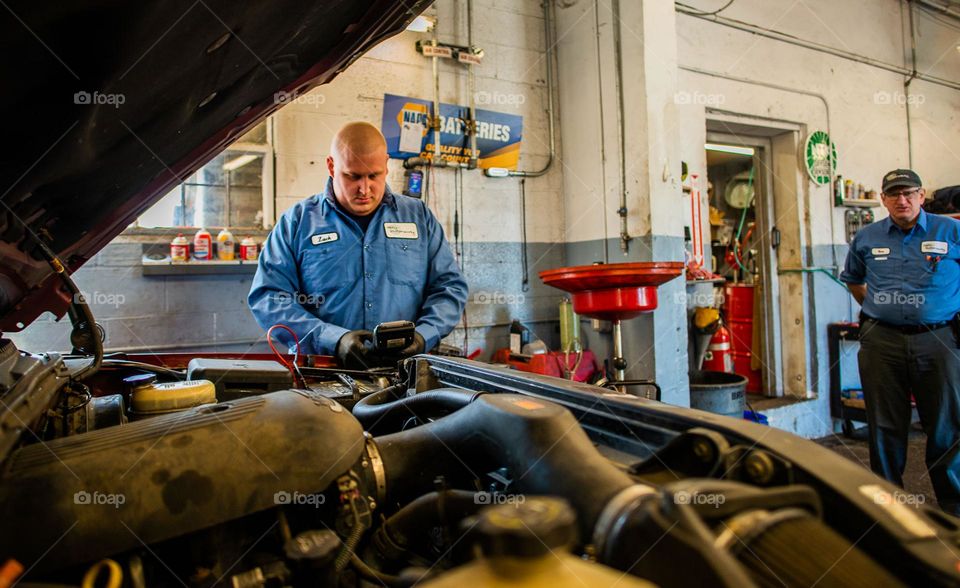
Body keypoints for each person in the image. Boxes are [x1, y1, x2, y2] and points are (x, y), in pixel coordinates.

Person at [248, 121, 467, 367]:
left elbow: (449, 287)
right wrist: (333, 339)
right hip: (324, 371)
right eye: (353, 176)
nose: (364, 189)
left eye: (373, 176)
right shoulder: (297, 223)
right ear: (331, 166)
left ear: (386, 165)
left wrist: (424, 335)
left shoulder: (418, 217)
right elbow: (269, 297)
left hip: (405, 372)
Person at [840, 168, 960, 516]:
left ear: (922, 196)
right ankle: (888, 501)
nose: (901, 200)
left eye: (908, 193)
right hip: (883, 342)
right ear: (883, 199)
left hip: (940, 340)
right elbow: (855, 281)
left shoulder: (951, 230)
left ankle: (952, 503)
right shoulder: (867, 237)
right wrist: (880, 311)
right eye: (893, 194)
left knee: (946, 422)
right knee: (885, 424)